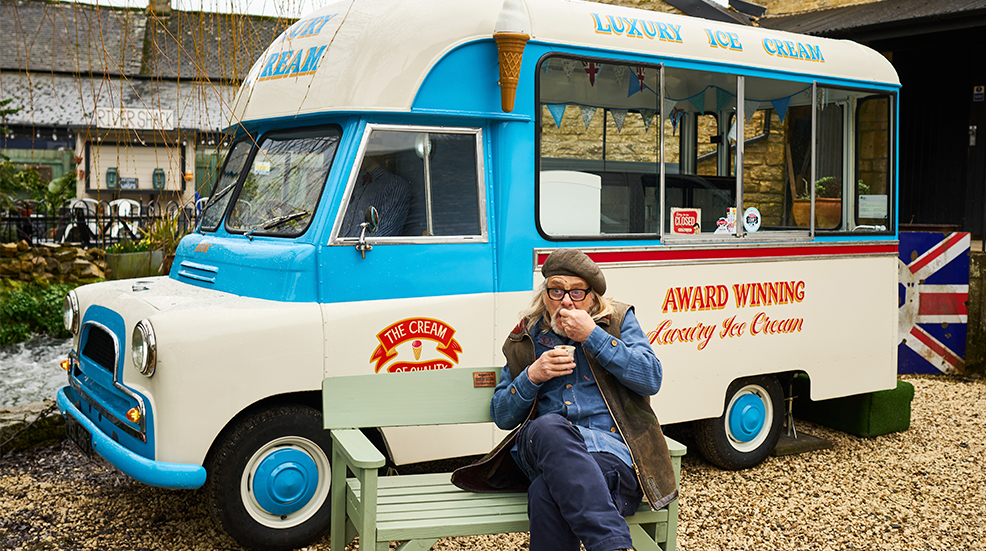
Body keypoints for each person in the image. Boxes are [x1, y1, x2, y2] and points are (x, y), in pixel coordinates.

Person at [452, 249, 678, 551]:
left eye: (576, 292)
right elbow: (502, 416)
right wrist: (532, 375)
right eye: (556, 290)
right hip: (541, 448)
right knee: (548, 426)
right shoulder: (525, 337)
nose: (566, 301)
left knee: (545, 493)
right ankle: (613, 546)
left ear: (593, 299)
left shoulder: (618, 321)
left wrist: (593, 337)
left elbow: (652, 378)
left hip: (609, 455)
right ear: (545, 293)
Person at [340, 155, 410, 237]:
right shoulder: (355, 182)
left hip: (363, 248)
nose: (354, 156)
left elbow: (386, 230)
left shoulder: (395, 185)